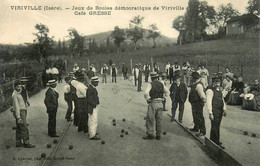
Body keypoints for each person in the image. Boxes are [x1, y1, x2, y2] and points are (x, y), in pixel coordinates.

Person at [143, 72, 169, 140]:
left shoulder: (150, 84)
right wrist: (164, 98)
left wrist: (147, 99)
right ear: (157, 77)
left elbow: (146, 93)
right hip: (160, 103)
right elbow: (167, 91)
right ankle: (158, 135)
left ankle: (150, 134)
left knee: (150, 118)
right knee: (159, 120)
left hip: (153, 102)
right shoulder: (161, 84)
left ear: (151, 78)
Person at [11, 80, 36, 148]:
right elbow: (16, 107)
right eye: (17, 87)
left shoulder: (22, 90)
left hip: (23, 110)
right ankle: (26, 142)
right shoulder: (15, 95)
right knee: (24, 127)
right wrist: (18, 117)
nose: (19, 88)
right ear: (14, 87)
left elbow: (25, 95)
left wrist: (27, 101)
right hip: (19, 111)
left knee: (19, 127)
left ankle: (18, 142)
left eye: (20, 86)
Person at [206, 77, 227, 149]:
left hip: (220, 111)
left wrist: (224, 109)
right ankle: (216, 142)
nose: (217, 84)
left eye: (218, 83)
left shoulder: (220, 91)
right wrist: (210, 113)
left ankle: (213, 140)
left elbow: (222, 100)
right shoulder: (210, 91)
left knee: (216, 126)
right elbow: (208, 102)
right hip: (214, 111)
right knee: (215, 126)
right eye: (215, 82)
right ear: (213, 83)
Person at [188, 72, 206, 137]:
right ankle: (196, 127)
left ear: (194, 78)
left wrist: (203, 101)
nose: (191, 78)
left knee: (199, 116)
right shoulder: (194, 84)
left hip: (198, 103)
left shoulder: (198, 85)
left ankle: (202, 131)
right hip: (194, 102)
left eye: (192, 77)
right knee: (195, 115)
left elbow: (202, 95)